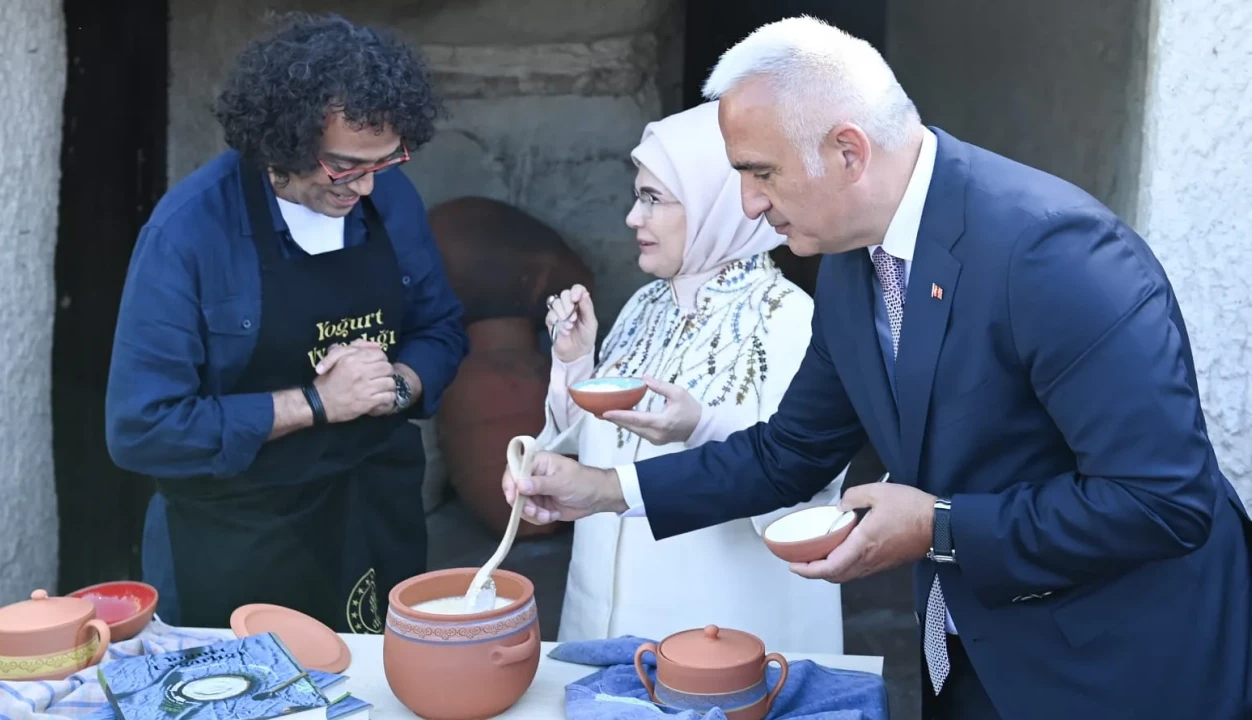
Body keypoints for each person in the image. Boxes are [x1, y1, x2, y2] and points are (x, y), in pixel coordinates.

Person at [503, 16, 1252, 720]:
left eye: (761, 173)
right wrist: (602, 490)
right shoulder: (850, 261)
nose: (748, 204)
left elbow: (1164, 501)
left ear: (848, 152)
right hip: (968, 647)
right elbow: (789, 453)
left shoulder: (1053, 253)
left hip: (1120, 664)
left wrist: (938, 527)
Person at [105, 13, 469, 634]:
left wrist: (396, 385)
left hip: (373, 508)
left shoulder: (390, 199)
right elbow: (142, 429)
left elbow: (441, 329)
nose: (366, 186)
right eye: (344, 166)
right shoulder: (189, 233)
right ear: (284, 142)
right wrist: (318, 402)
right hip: (238, 532)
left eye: (386, 161)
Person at [537, 101, 845, 652]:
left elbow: (807, 495)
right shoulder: (644, 306)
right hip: (601, 619)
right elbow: (594, 447)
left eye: (653, 199)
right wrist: (574, 362)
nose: (633, 218)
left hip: (720, 631)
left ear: (714, 201)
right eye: (638, 197)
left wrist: (701, 426)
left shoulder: (790, 319)